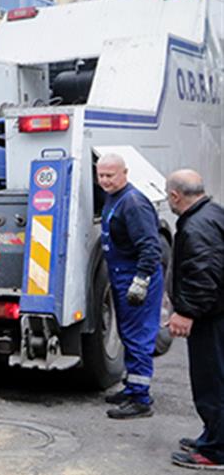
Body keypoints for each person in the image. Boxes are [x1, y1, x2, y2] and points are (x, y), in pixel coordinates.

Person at [96, 154, 164, 419]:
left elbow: (150, 247)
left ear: (125, 173)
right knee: (128, 334)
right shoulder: (116, 197)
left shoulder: (133, 203)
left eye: (110, 175)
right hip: (122, 274)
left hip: (135, 277)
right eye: (101, 175)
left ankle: (140, 400)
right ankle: (133, 386)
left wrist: (141, 280)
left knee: (138, 338)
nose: (105, 181)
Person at [164, 169, 224, 470]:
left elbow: (204, 275)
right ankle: (212, 436)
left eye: (168, 196)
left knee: (212, 381)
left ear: (175, 195)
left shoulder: (197, 226)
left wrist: (186, 311)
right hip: (216, 313)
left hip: (211, 318)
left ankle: (215, 451)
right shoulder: (212, 212)